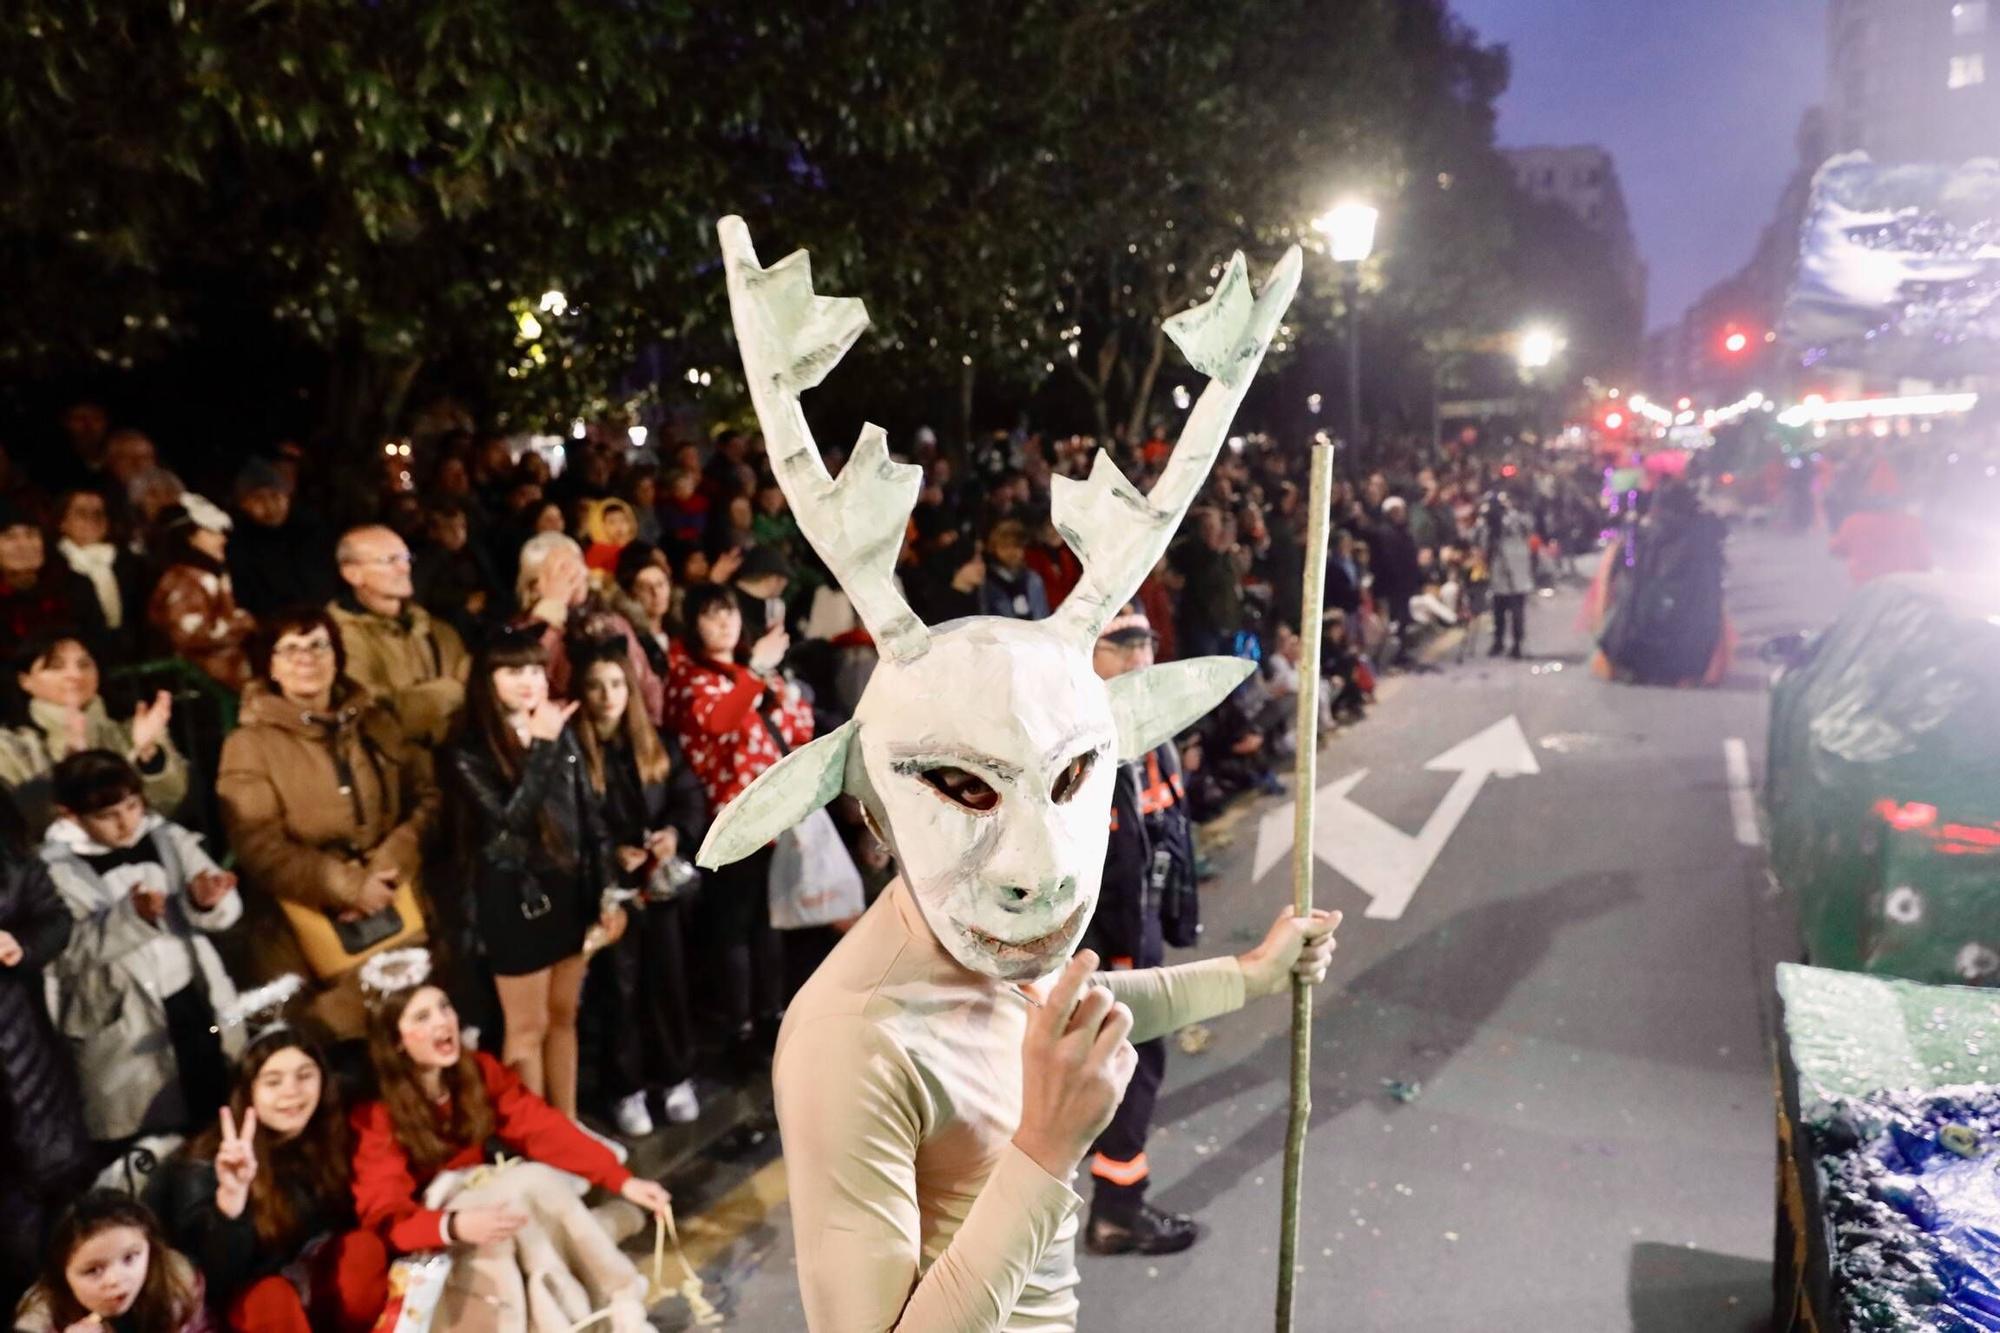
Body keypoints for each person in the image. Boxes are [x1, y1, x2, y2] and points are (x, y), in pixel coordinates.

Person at [348, 952, 669, 1332]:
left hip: (496, 1205)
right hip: (441, 1237)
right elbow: (387, 1217)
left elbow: (538, 1125)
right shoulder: (376, 1117)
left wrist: (622, 1180)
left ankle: (616, 1302)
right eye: (422, 1018)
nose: (442, 1022)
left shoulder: (476, 1071)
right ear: (396, 1042)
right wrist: (454, 1225)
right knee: (523, 1199)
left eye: (444, 1007)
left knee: (531, 1186)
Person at [216, 607, 440, 1038]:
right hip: (309, 930)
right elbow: (258, 844)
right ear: (271, 667)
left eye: (319, 645)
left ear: (337, 656)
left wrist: (394, 858)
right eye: (291, 650)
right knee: (347, 1042)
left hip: (397, 902)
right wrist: (348, 887)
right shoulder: (249, 745)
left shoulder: (374, 720)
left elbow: (427, 795)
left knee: (417, 1031)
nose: (308, 658)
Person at [447, 632, 626, 1115]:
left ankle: (566, 1127)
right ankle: (534, 1140)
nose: (529, 681)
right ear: (487, 680)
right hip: (514, 898)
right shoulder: (469, 747)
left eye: (533, 669)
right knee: (526, 1028)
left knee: (564, 1016)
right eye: (513, 671)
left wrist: (609, 890)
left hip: (570, 889)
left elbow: (591, 815)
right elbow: (509, 825)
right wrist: (543, 747)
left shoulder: (557, 727)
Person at [1080, 607, 1202, 1257]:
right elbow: (1113, 856)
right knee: (1130, 1066)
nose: (1137, 658)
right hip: (1112, 934)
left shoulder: (1144, 724)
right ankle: (1117, 1214)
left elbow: (1166, 828)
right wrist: (1127, 949)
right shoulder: (1087, 734)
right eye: (1119, 644)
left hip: (1135, 924)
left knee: (1115, 1067)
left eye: (1144, 643)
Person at [156, 990, 389, 1333]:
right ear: (248, 1091)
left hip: (315, 1284)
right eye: (273, 1081)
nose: (292, 1091)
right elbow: (216, 1280)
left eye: (305, 1075)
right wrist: (230, 1207)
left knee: (361, 1250)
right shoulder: (207, 1161)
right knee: (268, 1296)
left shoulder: (328, 1132)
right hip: (254, 1304)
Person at [40, 750, 241, 1146]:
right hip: (122, 1022)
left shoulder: (167, 838)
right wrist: (131, 918)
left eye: (132, 806)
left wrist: (204, 901)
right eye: (107, 816)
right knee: (151, 1134)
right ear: (69, 815)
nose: (125, 822)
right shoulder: (52, 871)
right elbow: (61, 953)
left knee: (219, 1111)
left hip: (192, 1001)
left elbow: (224, 906)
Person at [667, 583, 811, 1069]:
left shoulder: (754, 675)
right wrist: (757, 672)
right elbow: (719, 723)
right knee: (732, 932)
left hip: (773, 821)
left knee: (765, 925)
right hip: (728, 824)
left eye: (728, 612)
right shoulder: (691, 678)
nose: (724, 622)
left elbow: (799, 729)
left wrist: (777, 684)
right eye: (710, 615)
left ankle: (771, 1015)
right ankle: (740, 1029)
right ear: (693, 625)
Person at [572, 640, 705, 1136]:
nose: (607, 696)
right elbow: (571, 823)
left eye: (615, 684)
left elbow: (688, 795)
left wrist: (674, 834)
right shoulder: (572, 752)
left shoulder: (657, 743)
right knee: (618, 992)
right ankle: (624, 1088)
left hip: (659, 891)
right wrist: (609, 855)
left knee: (668, 984)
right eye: (595, 685)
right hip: (608, 894)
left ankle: (675, 1077)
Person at [0, 789, 93, 1310]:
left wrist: (21, 945)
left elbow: (54, 918)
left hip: (27, 1052)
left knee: (58, 1211)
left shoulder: (10, 853)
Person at [1, 633, 183, 838]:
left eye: (84, 664)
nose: (75, 674)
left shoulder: (132, 729)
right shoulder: (9, 748)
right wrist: (71, 762)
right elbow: (19, 821)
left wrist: (148, 756)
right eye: (56, 666)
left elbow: (169, 803)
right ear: (25, 681)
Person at [329, 525, 470, 749]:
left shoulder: (441, 632)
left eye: (405, 557)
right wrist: (451, 691)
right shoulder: (337, 638)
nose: (404, 568)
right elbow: (376, 719)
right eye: (389, 560)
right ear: (352, 573)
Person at [515, 531, 665, 726]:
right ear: (534, 585)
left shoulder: (612, 621)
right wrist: (551, 614)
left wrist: (650, 730)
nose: (578, 573)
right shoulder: (522, 633)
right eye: (564, 569)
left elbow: (645, 682)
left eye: (578, 563)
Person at [11, 1191, 213, 1333]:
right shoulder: (41, 1321)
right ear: (61, 1275)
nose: (116, 1280)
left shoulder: (177, 1282)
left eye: (130, 1258)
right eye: (93, 1270)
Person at [1596, 481, 1733, 687]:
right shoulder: (1701, 535)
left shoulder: (1646, 535)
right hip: (1684, 616)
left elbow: (1625, 570)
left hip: (1643, 614)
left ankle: (1639, 668)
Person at [147, 496, 256, 692]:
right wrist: (240, 623)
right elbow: (189, 633)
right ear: (190, 536)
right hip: (203, 685)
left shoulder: (208, 576)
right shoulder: (184, 579)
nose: (222, 539)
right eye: (212, 532)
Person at [224, 458, 335, 620]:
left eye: (275, 495)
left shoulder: (314, 531)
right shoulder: (238, 546)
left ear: (287, 496)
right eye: (257, 498)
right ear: (243, 505)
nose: (269, 505)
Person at [52, 488, 148, 663]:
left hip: (132, 658)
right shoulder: (54, 566)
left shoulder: (130, 562)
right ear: (62, 522)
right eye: (81, 513)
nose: (92, 519)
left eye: (98, 513)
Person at [0, 499, 103, 656]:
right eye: (9, 537)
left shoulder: (75, 586)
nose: (24, 545)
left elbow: (99, 648)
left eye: (31, 534)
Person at [1484, 489, 1536, 659]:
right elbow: (1481, 540)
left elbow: (1528, 528)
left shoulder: (1517, 518)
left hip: (1516, 571)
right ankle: (1498, 641)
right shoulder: (1488, 522)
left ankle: (1517, 644)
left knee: (1516, 610)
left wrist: (1509, 515)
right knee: (1498, 610)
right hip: (1499, 571)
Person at [980, 519, 1051, 621]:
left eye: (1017, 546)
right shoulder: (987, 584)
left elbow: (1042, 618)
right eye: (1005, 547)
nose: (1012, 553)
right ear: (994, 548)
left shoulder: (1033, 580)